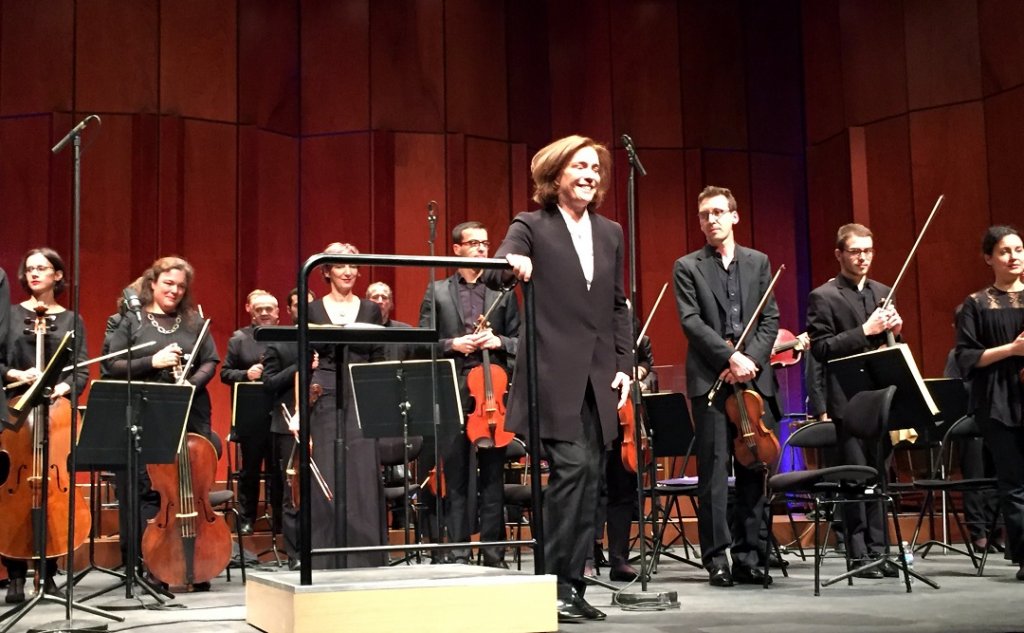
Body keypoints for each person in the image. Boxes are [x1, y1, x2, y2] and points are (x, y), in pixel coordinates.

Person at [484, 135, 631, 622]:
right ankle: (551, 584)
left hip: (598, 377)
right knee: (572, 471)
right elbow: (494, 272)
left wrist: (625, 367)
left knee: (591, 479)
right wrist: (512, 264)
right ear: (555, 175)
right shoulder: (531, 224)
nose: (590, 175)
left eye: (595, 168)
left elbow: (616, 306)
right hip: (550, 373)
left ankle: (571, 584)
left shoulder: (610, 232)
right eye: (580, 166)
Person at [672, 186, 779, 588]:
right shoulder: (687, 266)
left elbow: (770, 318)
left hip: (752, 377)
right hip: (712, 380)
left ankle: (750, 557)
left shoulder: (759, 262)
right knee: (714, 475)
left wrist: (749, 359)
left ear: (735, 216)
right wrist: (728, 358)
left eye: (718, 212)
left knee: (754, 467)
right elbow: (691, 321)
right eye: (704, 215)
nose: (711, 219)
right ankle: (717, 559)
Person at [263, 242, 386, 569]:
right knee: (326, 476)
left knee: (361, 476)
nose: (347, 271)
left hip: (360, 395)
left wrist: (378, 406)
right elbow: (306, 365)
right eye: (339, 265)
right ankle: (325, 559)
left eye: (353, 266)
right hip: (324, 393)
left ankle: (366, 557)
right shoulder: (312, 310)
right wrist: (301, 411)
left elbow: (376, 360)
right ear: (326, 271)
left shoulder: (372, 310)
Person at [102, 256, 221, 588]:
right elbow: (113, 366)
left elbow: (210, 360)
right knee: (154, 491)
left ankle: (195, 563)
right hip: (148, 410)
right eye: (169, 283)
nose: (175, 290)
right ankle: (156, 566)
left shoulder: (194, 322)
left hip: (190, 410)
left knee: (190, 487)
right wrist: (152, 360)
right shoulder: (132, 322)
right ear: (152, 283)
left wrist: (191, 382)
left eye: (181, 286)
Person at [417, 221, 519, 568]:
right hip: (452, 387)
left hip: (493, 393)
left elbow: (522, 341)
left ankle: (494, 554)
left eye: (485, 243)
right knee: (456, 475)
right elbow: (423, 341)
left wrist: (499, 341)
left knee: (493, 477)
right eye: (472, 243)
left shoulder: (503, 293)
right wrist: (452, 343)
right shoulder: (438, 291)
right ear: (456, 249)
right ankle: (458, 551)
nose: (480, 249)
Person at [806, 223, 903, 578]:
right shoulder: (824, 296)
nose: (863, 258)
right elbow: (821, 348)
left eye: (868, 251)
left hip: (881, 400)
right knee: (855, 478)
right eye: (855, 251)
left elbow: (890, 346)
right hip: (846, 400)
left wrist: (895, 328)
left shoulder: (882, 291)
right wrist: (866, 331)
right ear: (839, 254)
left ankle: (881, 552)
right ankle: (858, 554)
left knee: (880, 477)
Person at [0, 248, 87, 603]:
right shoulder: (8, 315)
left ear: (58, 275)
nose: (34, 274)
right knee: (13, 489)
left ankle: (49, 573)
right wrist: (16, 373)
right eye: (30, 268)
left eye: (42, 268)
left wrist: (61, 388)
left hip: (55, 413)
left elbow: (80, 370)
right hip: (15, 410)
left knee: (53, 488)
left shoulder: (71, 321)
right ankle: (16, 575)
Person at [954, 225, 1024, 581]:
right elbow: (966, 358)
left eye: (1018, 249)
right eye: (1004, 252)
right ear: (989, 258)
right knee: (1014, 482)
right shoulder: (976, 303)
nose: (1014, 257)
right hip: (997, 399)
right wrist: (1012, 350)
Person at [588, 318, 657, 582]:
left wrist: (636, 373)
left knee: (622, 485)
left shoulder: (629, 327)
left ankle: (619, 559)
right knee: (592, 486)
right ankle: (586, 555)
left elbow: (643, 361)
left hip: (625, 412)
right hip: (594, 407)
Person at [220, 290, 281, 535]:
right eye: (259, 309)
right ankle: (246, 519)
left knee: (279, 471)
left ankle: (280, 520)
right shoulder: (238, 339)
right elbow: (225, 373)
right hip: (250, 414)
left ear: (278, 313)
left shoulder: (287, 338)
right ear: (251, 311)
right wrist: (246, 374)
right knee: (250, 471)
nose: (264, 313)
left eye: (269, 309)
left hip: (279, 414)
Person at [368, 281, 417, 361]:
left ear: (390, 303)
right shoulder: (359, 330)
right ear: (367, 302)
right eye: (375, 297)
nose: (380, 301)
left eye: (384, 297)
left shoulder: (406, 332)